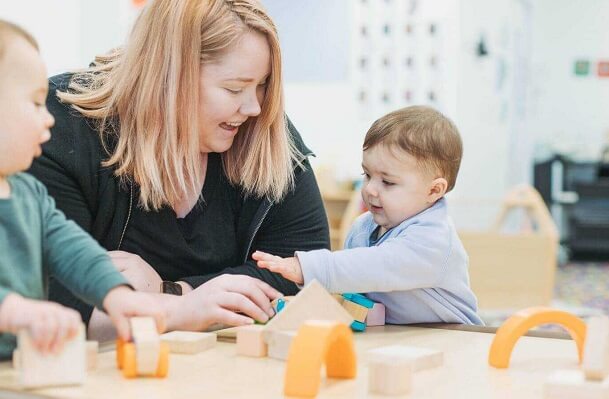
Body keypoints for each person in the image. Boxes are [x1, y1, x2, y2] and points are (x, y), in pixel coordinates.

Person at [28, 0, 329, 340]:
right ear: (168, 76)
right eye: (234, 88)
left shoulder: (264, 133)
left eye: (262, 84)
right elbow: (50, 301)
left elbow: (305, 269)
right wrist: (182, 311)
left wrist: (173, 293)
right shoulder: (59, 126)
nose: (254, 107)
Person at [0, 20, 167, 359]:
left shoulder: (29, 194)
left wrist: (116, 294)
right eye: (34, 103)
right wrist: (14, 310)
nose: (49, 117)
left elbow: (73, 251)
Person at [254, 106, 483, 325]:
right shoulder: (362, 229)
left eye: (388, 182)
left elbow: (377, 266)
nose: (370, 189)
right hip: (397, 336)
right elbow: (354, 290)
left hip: (456, 337)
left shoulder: (435, 241)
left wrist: (306, 267)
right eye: (367, 175)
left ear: (433, 190)